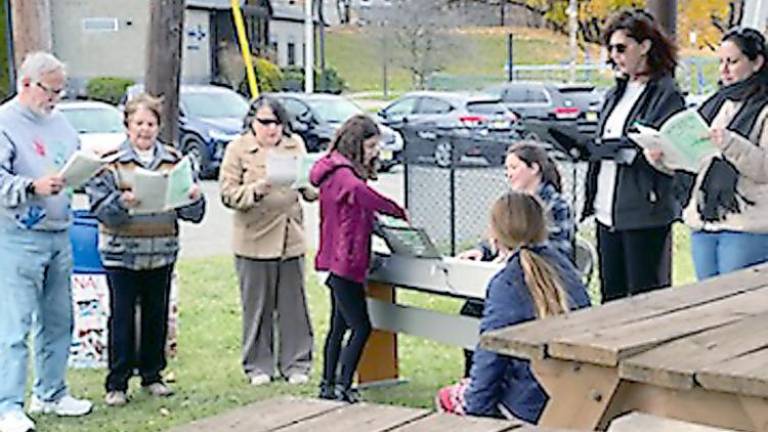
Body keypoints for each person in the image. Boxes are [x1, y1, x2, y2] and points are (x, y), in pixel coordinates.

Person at [87, 93, 206, 406]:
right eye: (138, 123)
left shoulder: (174, 160)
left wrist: (192, 197)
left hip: (162, 249)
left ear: (158, 126)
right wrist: (120, 203)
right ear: (127, 125)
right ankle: (117, 382)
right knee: (122, 317)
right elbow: (98, 207)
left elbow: (194, 213)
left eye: (150, 123)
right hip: (121, 253)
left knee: (157, 313)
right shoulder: (109, 162)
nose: (145, 129)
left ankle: (153, 374)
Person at [436, 191, 590, 423]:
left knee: (448, 397)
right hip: (574, 393)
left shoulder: (506, 284)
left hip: (528, 404)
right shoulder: (564, 268)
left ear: (494, 234)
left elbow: (490, 357)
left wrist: (477, 415)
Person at [0, 52, 93, 432]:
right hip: (17, 236)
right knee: (15, 324)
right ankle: (8, 404)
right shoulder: (4, 123)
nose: (55, 98)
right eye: (50, 91)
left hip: (59, 232)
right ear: (26, 84)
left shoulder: (62, 124)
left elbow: (72, 160)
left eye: (60, 91)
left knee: (59, 319)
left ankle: (52, 391)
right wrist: (30, 187)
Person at [647, 27, 768, 280]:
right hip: (704, 218)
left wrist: (731, 143)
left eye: (732, 62)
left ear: (756, 63)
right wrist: (663, 158)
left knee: (736, 303)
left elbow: (764, 169)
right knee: (705, 299)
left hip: (747, 224)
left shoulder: (763, 108)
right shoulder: (716, 103)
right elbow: (696, 161)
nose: (723, 70)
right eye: (721, 62)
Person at [583, 9, 685, 303]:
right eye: (610, 49)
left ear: (645, 46)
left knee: (645, 299)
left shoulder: (665, 93)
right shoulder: (615, 93)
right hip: (606, 210)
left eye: (621, 48)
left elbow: (663, 146)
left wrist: (629, 149)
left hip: (644, 211)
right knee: (611, 297)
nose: (615, 56)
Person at [310, 115, 408, 403]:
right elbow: (361, 195)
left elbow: (360, 212)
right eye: (371, 146)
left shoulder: (332, 170)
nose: (375, 152)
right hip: (343, 262)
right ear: (357, 144)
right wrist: (397, 211)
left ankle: (328, 385)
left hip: (333, 260)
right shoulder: (344, 175)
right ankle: (343, 386)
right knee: (361, 326)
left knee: (339, 326)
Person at [219, 96, 316, 386]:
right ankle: (258, 365)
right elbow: (227, 193)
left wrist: (309, 184)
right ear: (252, 122)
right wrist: (256, 190)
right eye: (265, 123)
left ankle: (297, 363)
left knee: (293, 305)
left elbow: (311, 187)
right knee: (257, 306)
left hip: (290, 238)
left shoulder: (294, 145)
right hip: (254, 238)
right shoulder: (238, 149)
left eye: (277, 123)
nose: (272, 129)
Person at [457, 142, 575, 377]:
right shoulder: (509, 202)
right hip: (511, 275)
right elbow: (498, 236)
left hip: (540, 285)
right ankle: (472, 376)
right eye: (506, 168)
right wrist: (482, 251)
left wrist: (513, 258)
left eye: (513, 167)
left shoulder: (556, 205)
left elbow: (554, 252)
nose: (508, 173)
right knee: (469, 312)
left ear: (534, 168)